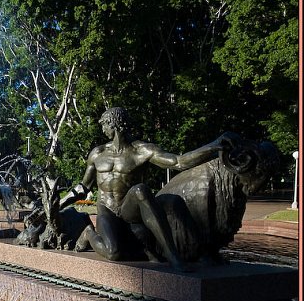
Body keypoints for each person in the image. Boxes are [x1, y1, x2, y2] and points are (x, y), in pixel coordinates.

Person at [65, 107, 236, 271]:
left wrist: (214, 146)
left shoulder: (142, 150)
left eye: (104, 124)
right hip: (107, 208)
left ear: (114, 124)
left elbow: (178, 162)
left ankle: (173, 257)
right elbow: (84, 186)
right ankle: (88, 234)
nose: (102, 130)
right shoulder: (97, 153)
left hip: (128, 208)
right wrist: (60, 202)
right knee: (113, 252)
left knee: (140, 190)